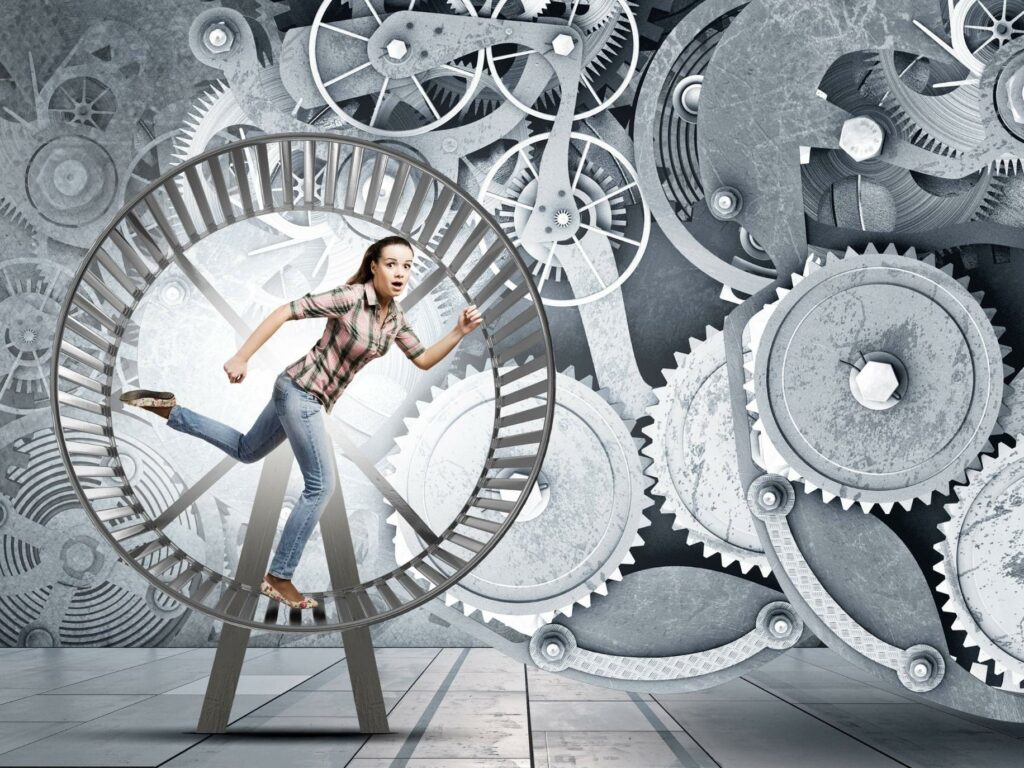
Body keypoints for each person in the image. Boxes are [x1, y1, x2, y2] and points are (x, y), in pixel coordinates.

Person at [120, 235, 483, 609]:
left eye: (406, 266)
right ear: (374, 265)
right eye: (391, 264)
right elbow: (285, 311)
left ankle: (170, 410)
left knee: (246, 450)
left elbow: (422, 359)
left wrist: (459, 332)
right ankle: (279, 576)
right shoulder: (351, 297)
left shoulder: (395, 320)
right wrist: (242, 356)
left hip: (302, 396)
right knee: (321, 486)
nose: (400, 273)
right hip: (301, 393)